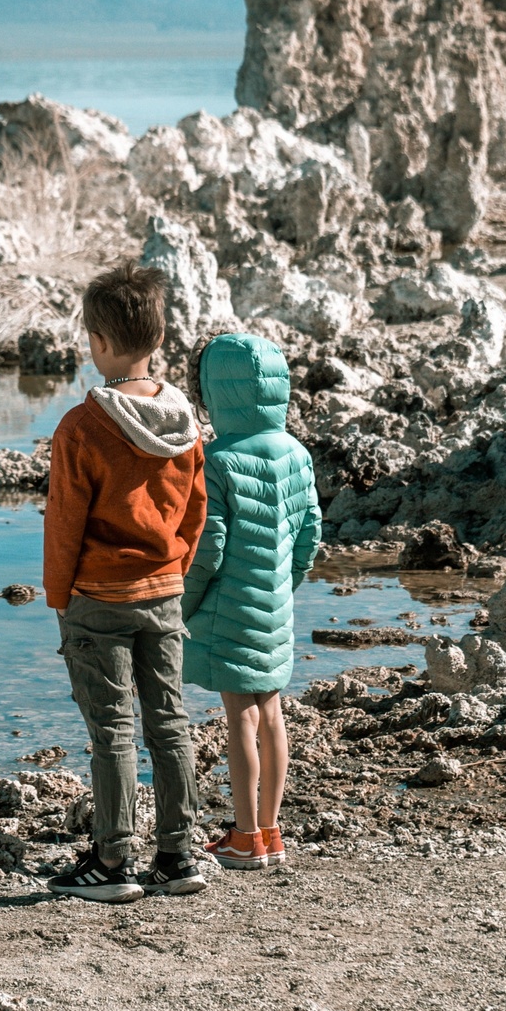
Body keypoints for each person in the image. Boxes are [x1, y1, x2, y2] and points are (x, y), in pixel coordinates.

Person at [42, 261, 210, 902]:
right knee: (169, 720)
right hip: (163, 592)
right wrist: (174, 569)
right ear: (159, 340)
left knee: (111, 728)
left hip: (98, 599)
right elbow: (197, 508)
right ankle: (179, 854)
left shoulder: (83, 427)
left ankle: (113, 863)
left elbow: (64, 525)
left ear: (99, 344)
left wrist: (61, 597)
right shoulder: (185, 423)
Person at [180, 332, 319, 871]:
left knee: (238, 714)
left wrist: (181, 607)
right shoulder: (297, 453)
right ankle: (270, 830)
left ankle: (243, 838)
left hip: (226, 609)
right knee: (272, 714)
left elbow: (207, 549)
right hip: (275, 605)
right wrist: (285, 587)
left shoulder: (215, 460)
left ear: (215, 393)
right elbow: (309, 536)